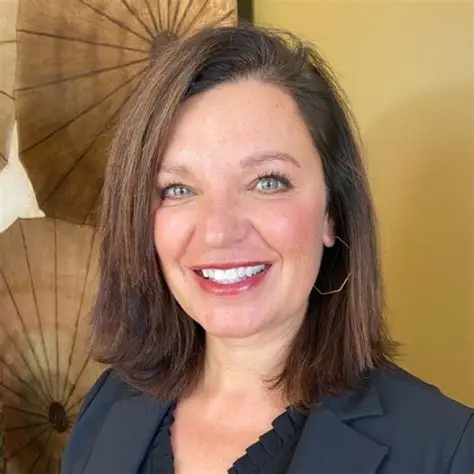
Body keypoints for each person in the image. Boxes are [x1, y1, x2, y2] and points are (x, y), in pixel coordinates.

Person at [62, 24, 473, 474]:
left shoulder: (447, 448)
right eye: (177, 188)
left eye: (267, 182)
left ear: (332, 213)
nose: (218, 231)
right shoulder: (108, 403)